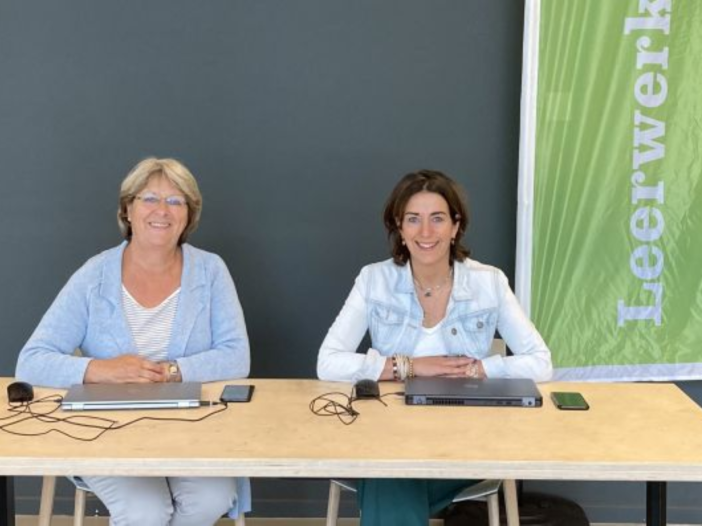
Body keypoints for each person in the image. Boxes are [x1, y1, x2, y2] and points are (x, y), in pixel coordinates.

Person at [16, 157, 251, 526]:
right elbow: (31, 361)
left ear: (189, 216)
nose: (163, 211)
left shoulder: (210, 270)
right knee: (146, 511)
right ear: (128, 209)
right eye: (149, 199)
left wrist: (172, 371)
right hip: (107, 429)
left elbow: (237, 356)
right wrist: (101, 370)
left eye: (176, 202)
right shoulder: (94, 276)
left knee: (213, 497)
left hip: (193, 427)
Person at [317, 169, 552, 526]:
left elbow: (541, 363)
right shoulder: (374, 280)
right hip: (389, 434)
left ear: (456, 226)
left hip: (467, 440)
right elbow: (328, 362)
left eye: (437, 219)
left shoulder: (489, 282)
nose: (425, 232)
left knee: (386, 478)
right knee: (391, 470)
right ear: (399, 226)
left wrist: (477, 369)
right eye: (413, 219)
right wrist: (409, 366)